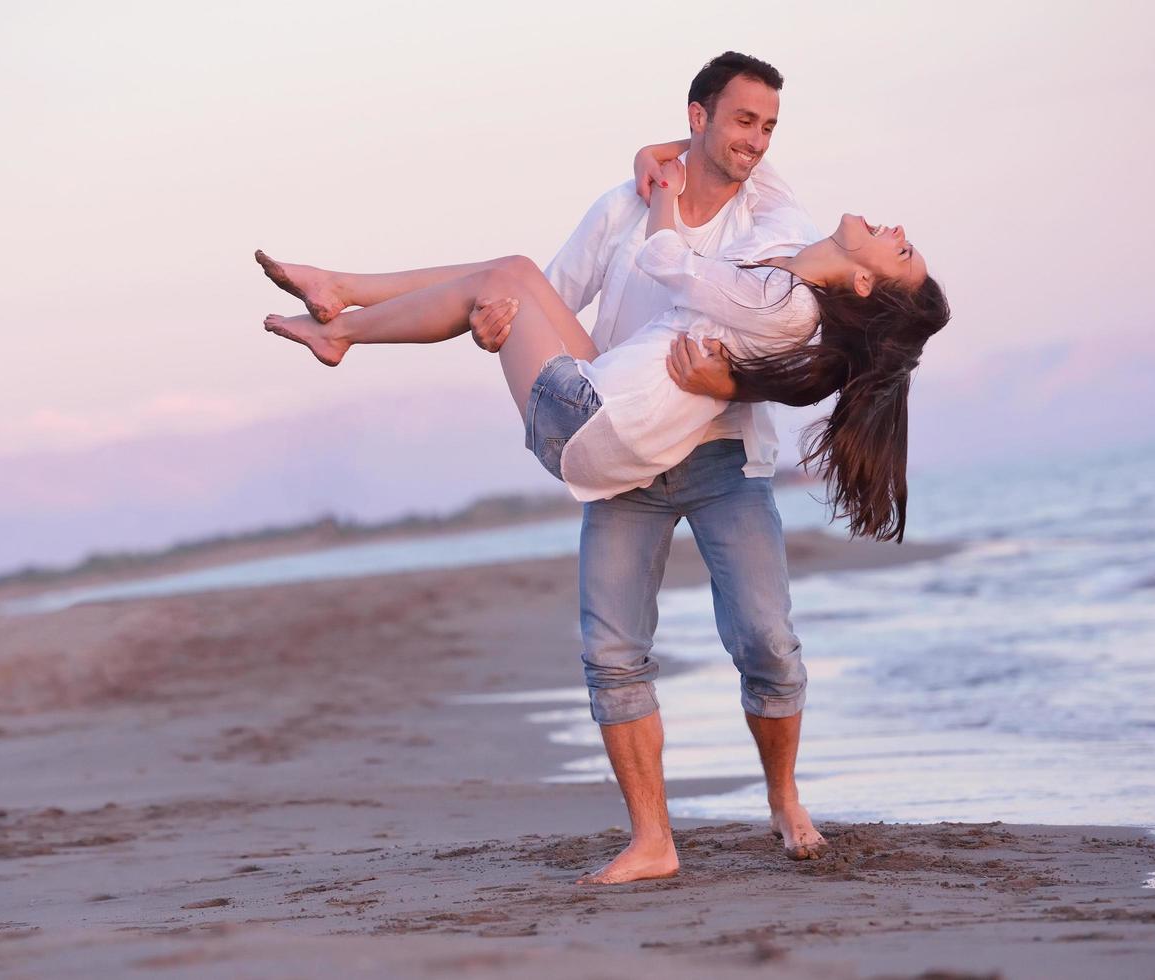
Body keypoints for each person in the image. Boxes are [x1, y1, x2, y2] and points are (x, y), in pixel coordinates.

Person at [257, 52, 951, 883]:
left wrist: (729, 379)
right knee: (613, 651)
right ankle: (651, 839)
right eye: (742, 122)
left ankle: (783, 798)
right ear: (696, 118)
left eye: (769, 128)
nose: (758, 143)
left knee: (767, 640)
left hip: (718, 457)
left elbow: (801, 345)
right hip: (618, 430)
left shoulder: (776, 224)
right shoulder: (623, 209)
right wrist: (494, 327)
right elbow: (548, 296)